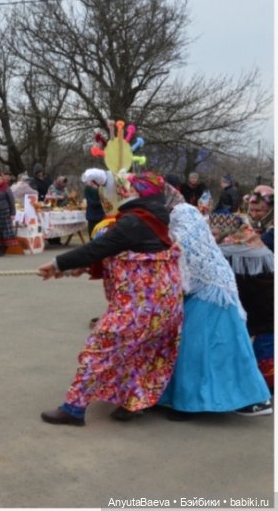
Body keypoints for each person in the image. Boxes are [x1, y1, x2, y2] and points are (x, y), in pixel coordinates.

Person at [37, 172, 183, 426]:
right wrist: (70, 269)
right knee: (140, 352)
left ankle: (74, 408)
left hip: (140, 306)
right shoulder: (155, 219)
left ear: (130, 193)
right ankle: (131, 403)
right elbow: (114, 254)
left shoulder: (135, 221)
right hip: (165, 306)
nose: (108, 195)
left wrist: (58, 262)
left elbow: (98, 249)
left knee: (99, 348)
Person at [157, 184, 271, 418]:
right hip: (210, 289)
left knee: (196, 347)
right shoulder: (177, 215)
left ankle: (193, 403)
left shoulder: (183, 214)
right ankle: (199, 399)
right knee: (208, 347)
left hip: (212, 290)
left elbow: (185, 255)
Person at [213, 186, 275, 406]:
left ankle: (265, 388)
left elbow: (261, 248)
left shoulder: (271, 232)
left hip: (267, 295)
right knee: (259, 338)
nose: (255, 213)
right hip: (254, 294)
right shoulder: (246, 225)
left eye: (260, 209)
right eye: (253, 208)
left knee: (266, 342)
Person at [81, 168, 107, 236]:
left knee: (100, 233)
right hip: (92, 215)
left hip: (101, 215)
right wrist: (102, 203)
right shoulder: (88, 189)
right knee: (92, 233)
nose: (87, 182)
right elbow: (91, 202)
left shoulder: (101, 187)